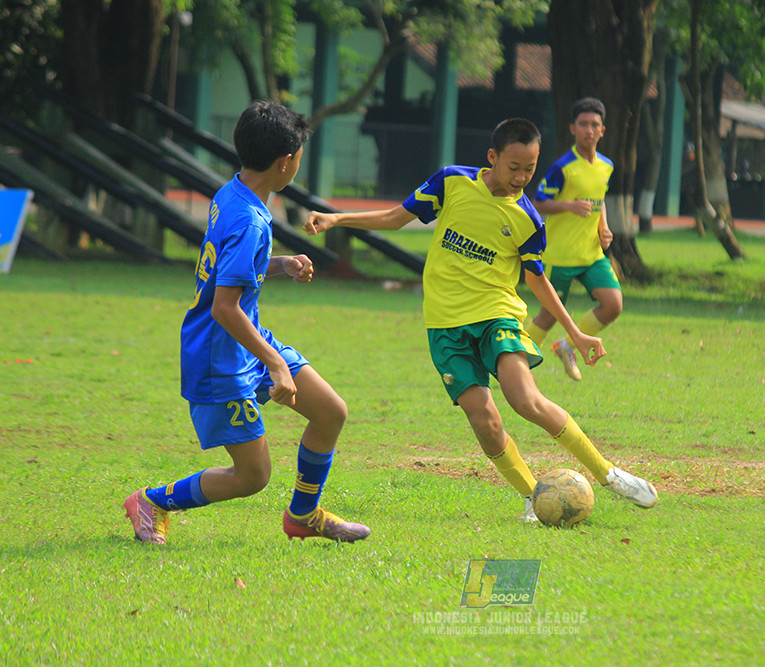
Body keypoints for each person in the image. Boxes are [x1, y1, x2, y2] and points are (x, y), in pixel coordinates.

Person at [303, 118, 657, 521]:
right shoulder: (452, 182)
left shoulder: (528, 219)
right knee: (485, 421)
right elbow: (396, 217)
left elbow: (537, 279)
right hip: (444, 326)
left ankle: (608, 474)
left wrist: (575, 332)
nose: (521, 177)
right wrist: (337, 218)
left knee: (526, 401)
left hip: (496, 316)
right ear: (492, 157)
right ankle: (534, 497)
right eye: (514, 167)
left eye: (530, 168)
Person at [123, 100, 370, 545]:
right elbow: (224, 307)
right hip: (219, 357)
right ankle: (152, 501)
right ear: (285, 163)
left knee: (330, 412)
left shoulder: (233, 192)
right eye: (300, 157)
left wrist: (281, 265)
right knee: (252, 476)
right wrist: (275, 363)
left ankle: (303, 514)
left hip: (244, 345)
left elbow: (232, 270)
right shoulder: (250, 219)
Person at [524, 97, 621, 382]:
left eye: (594, 125)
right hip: (561, 255)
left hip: (591, 254)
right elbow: (537, 202)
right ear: (572, 129)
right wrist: (568, 205)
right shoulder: (563, 167)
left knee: (613, 304)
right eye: (583, 124)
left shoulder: (606, 166)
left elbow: (598, 200)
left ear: (603, 130)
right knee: (548, 315)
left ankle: (567, 346)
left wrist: (604, 228)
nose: (589, 130)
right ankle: (516, 364)